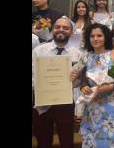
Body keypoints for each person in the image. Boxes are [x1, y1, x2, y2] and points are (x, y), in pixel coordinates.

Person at [32, 17, 82, 148]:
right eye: (57, 27)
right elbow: (32, 77)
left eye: (65, 28)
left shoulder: (78, 54)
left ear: (71, 32)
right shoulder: (39, 51)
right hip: (42, 103)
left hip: (65, 103)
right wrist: (42, 87)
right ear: (52, 30)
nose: (61, 30)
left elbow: (79, 83)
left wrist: (75, 79)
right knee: (43, 141)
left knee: (66, 141)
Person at [79, 23, 114, 147]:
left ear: (106, 37)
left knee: (111, 140)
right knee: (93, 139)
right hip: (93, 105)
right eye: (92, 36)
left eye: (99, 35)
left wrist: (113, 86)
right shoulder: (85, 56)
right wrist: (83, 86)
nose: (95, 39)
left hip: (111, 104)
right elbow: (81, 77)